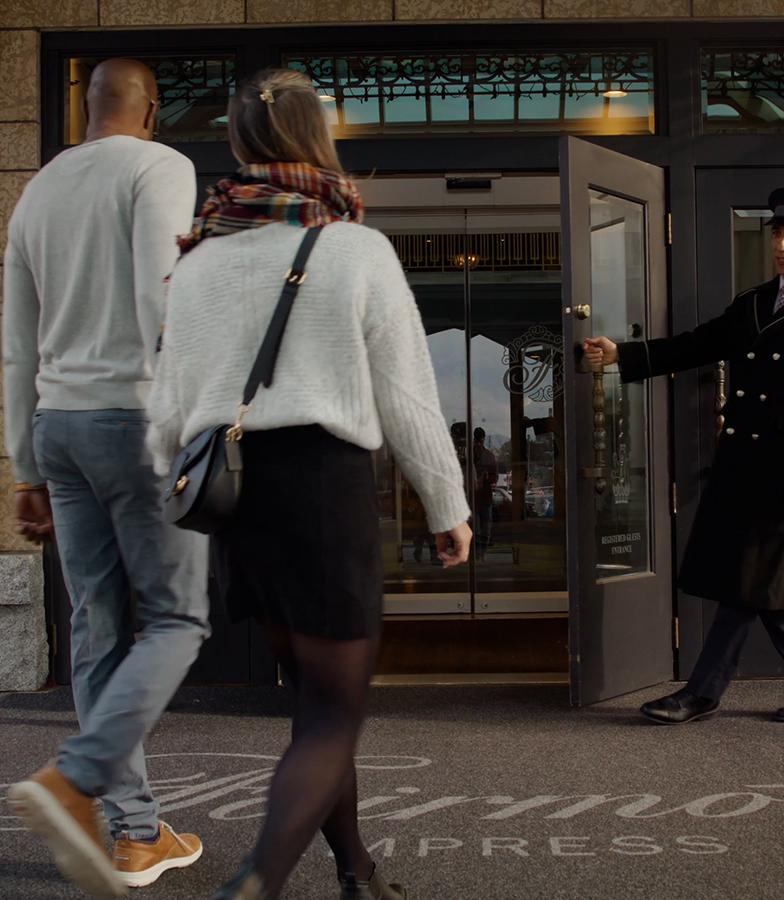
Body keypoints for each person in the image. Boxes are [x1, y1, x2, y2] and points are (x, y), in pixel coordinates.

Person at [145, 68, 472, 899]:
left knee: (317, 706)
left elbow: (169, 406)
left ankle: (357, 872)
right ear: (317, 138)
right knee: (333, 713)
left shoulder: (198, 258)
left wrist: (159, 495)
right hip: (322, 488)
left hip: (235, 494)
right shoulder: (355, 248)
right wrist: (448, 504)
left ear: (238, 144)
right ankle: (256, 880)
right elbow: (407, 393)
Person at [4, 59, 209, 896]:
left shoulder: (38, 192)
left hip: (59, 426)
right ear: (152, 112)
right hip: (135, 419)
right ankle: (81, 784)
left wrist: (23, 464)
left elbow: (16, 341)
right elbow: (161, 295)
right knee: (179, 617)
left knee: (97, 623)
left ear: (84, 111)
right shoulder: (160, 167)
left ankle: (133, 832)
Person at [584, 188, 784, 726]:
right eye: (777, 235)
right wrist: (625, 353)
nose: (783, 246)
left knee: (749, 580)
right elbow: (699, 344)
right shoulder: (756, 302)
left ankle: (702, 692)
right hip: (744, 465)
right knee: (755, 580)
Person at [472, 427, 498, 560]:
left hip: (477, 498)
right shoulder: (488, 456)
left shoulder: (471, 455)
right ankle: (480, 553)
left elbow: (495, 477)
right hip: (483, 498)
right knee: (484, 527)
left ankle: (479, 553)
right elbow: (495, 478)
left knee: (479, 528)